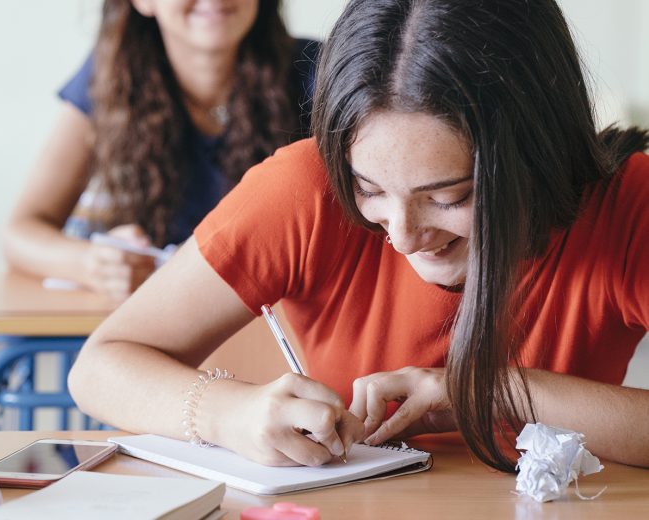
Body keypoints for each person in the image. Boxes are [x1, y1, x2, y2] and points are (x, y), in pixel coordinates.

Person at [68, 0, 649, 471]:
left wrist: (485, 390)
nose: (403, 236)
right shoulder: (305, 188)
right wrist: (230, 414)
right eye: (369, 189)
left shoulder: (630, 205)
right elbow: (101, 367)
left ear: (538, 154)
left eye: (450, 197)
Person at [3, 0, 319, 300]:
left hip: (287, 327)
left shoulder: (321, 70)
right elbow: (20, 232)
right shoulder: (111, 77)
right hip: (168, 327)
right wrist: (94, 264)